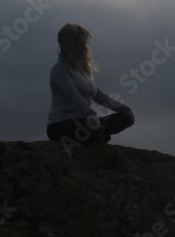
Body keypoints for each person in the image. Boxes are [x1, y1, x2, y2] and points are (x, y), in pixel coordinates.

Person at [46, 23, 134, 151]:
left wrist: (126, 110)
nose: (84, 47)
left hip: (86, 121)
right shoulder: (59, 70)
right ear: (72, 46)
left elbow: (100, 97)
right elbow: (73, 95)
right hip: (61, 125)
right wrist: (91, 115)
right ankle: (97, 133)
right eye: (81, 44)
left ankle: (98, 133)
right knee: (89, 127)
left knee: (123, 118)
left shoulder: (83, 71)